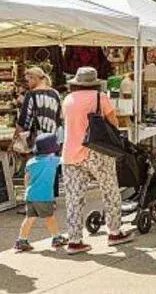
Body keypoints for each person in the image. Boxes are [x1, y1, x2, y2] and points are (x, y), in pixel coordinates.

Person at [61, 67, 133, 254]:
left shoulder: (67, 100)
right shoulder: (101, 98)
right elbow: (113, 123)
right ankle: (114, 231)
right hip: (96, 151)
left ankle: (75, 240)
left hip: (70, 152)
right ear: (95, 82)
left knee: (74, 197)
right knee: (110, 190)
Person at [11, 67, 64, 196]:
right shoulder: (55, 93)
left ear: (34, 78)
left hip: (37, 140)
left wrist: (15, 139)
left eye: (28, 80)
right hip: (53, 139)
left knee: (34, 170)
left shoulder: (31, 95)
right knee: (50, 170)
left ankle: (34, 203)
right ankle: (50, 200)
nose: (27, 83)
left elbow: (24, 121)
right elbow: (59, 118)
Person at [14, 133, 67, 252]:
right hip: (44, 196)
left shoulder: (30, 162)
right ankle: (56, 238)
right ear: (51, 149)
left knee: (29, 218)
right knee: (50, 217)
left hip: (30, 195)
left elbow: (26, 179)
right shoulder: (52, 160)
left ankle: (21, 240)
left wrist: (27, 191)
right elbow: (66, 159)